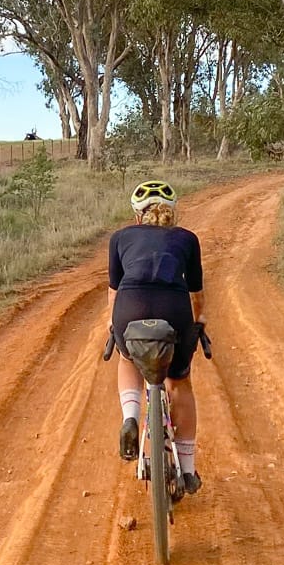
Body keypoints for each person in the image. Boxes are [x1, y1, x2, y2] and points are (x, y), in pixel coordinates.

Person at [107, 179, 205, 495]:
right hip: (174, 310)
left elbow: (113, 294)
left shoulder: (120, 238)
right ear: (171, 213)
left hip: (129, 308)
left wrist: (113, 326)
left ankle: (131, 417)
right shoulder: (187, 239)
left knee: (127, 357)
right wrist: (199, 323)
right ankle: (188, 471)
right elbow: (196, 296)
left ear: (137, 216)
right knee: (179, 382)